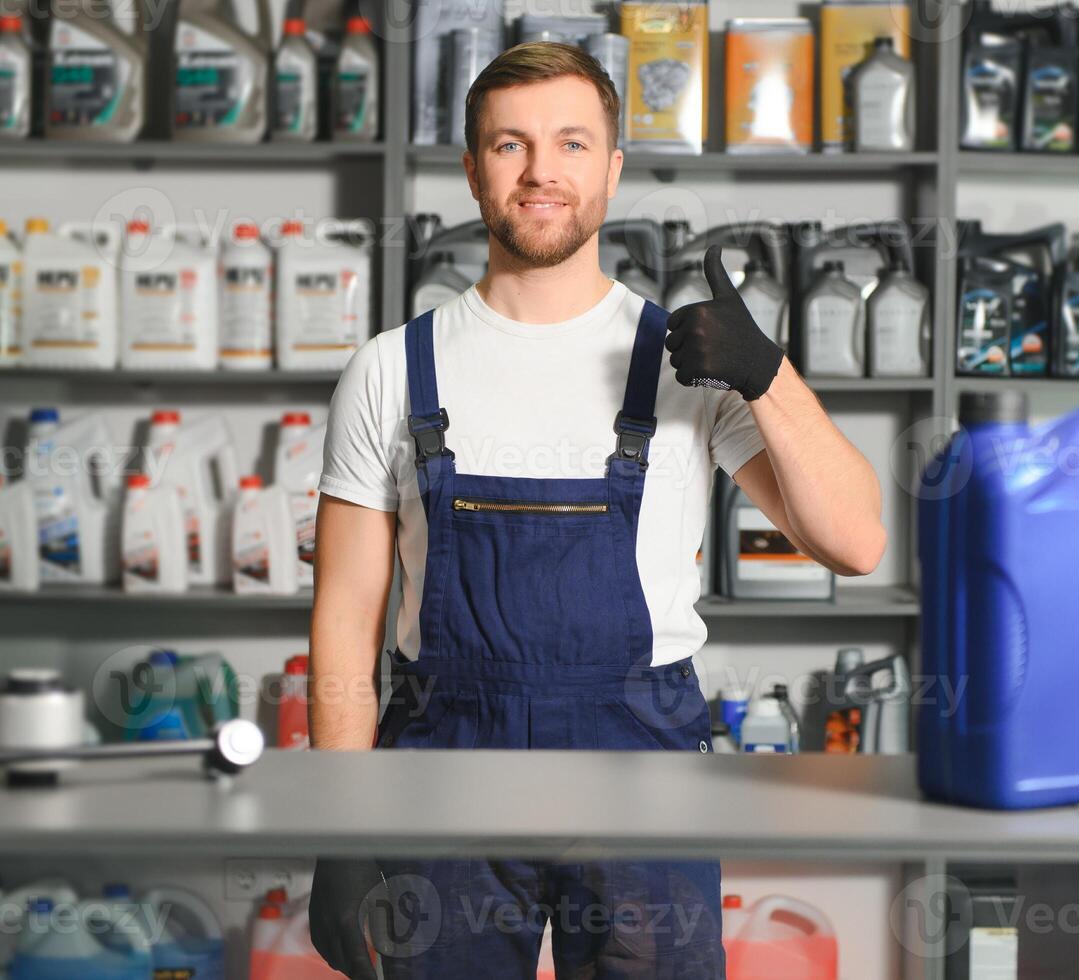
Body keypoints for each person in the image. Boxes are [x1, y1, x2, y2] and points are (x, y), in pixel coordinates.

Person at [306, 41, 886, 979]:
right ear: (470, 168)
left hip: (644, 768)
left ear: (612, 169)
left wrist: (766, 374)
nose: (541, 172)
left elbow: (856, 542)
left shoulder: (689, 358)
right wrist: (335, 825)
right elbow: (342, 616)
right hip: (443, 765)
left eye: (572, 144)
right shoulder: (387, 369)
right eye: (509, 145)